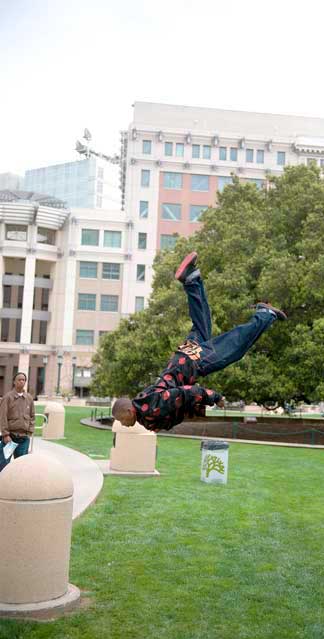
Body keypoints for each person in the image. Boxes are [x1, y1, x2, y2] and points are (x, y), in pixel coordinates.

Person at [112, 252, 287, 432]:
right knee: (202, 321)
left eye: (121, 420)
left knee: (234, 347)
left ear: (128, 410)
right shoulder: (145, 406)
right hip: (183, 359)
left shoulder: (150, 405)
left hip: (192, 362)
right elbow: (170, 408)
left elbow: (186, 392)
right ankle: (191, 279)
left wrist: (213, 397)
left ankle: (264, 314)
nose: (122, 424)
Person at [0, 372, 35, 472]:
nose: (21, 381)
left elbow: (32, 416)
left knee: (21, 466)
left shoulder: (29, 398)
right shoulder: (7, 398)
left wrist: (29, 431)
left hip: (24, 438)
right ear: (14, 382)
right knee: (3, 465)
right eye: (19, 380)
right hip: (10, 438)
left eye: (23, 380)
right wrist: (6, 434)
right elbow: (2, 417)